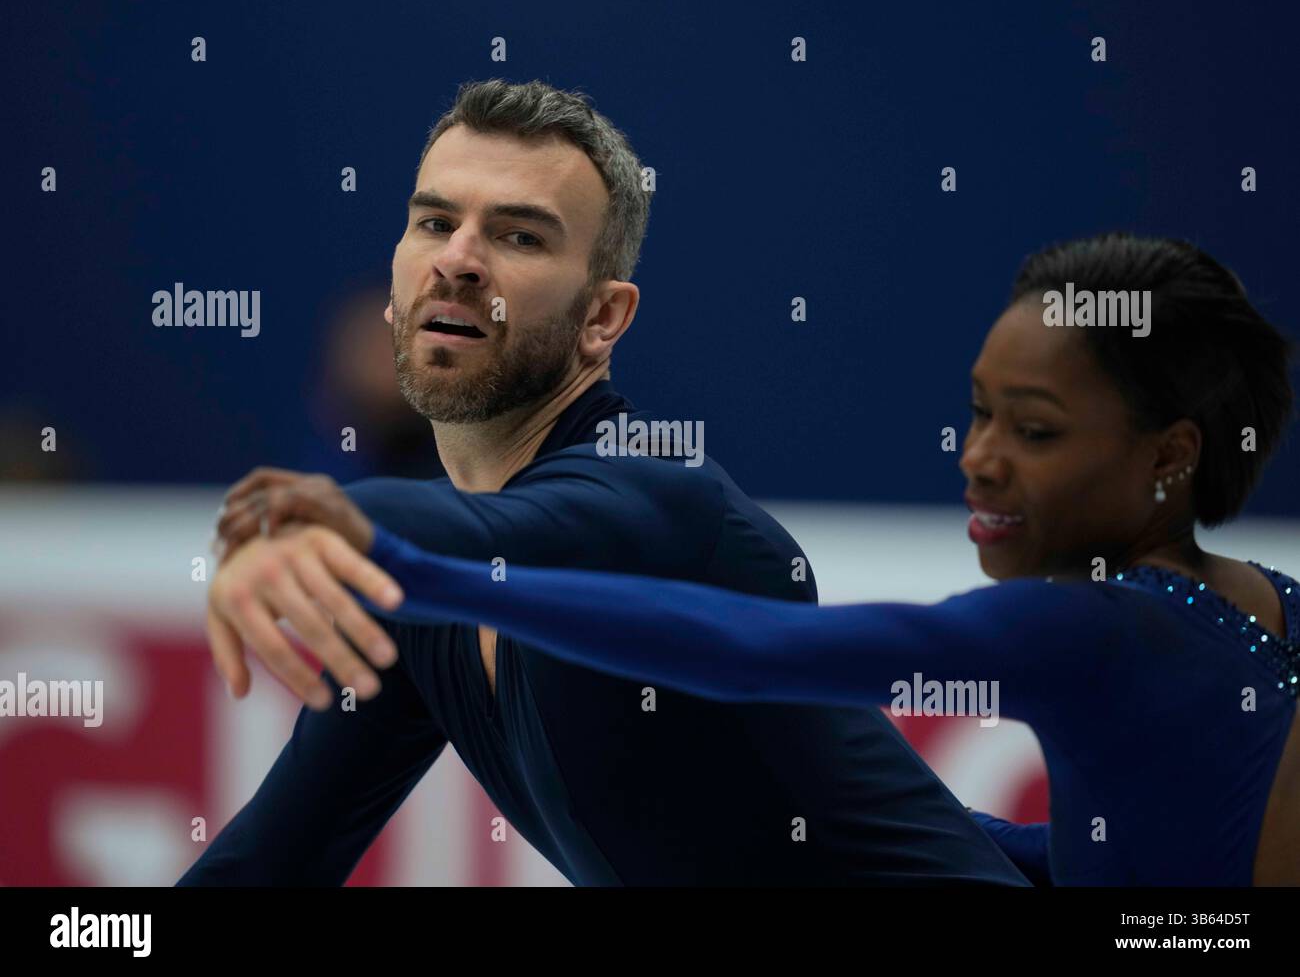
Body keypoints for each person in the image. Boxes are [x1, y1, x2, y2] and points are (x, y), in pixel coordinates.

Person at [179, 78, 1026, 886]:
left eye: (520, 236)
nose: (460, 260)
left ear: (603, 318)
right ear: (395, 293)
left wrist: (320, 520)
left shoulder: (661, 504)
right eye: (435, 222)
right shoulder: (420, 604)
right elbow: (266, 864)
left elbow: (499, 534)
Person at [268, 234, 1300, 885]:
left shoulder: (1088, 625)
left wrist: (420, 566)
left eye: (1033, 431)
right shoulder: (1269, 608)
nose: (977, 461)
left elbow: (741, 646)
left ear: (1169, 456)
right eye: (978, 415)